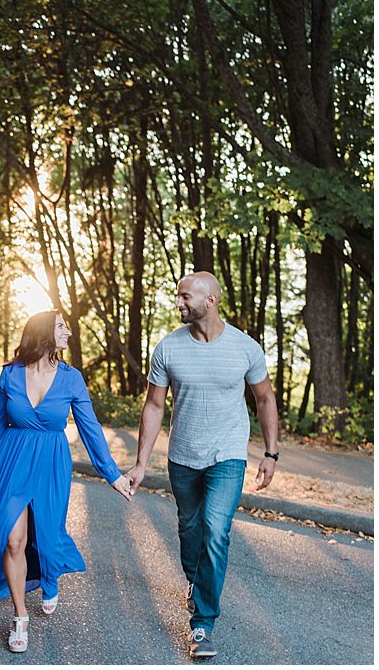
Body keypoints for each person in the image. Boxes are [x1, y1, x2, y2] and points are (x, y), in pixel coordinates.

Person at [0, 310, 133, 653]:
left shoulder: (72, 378)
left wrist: (113, 475)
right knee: (14, 541)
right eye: (62, 326)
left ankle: (49, 579)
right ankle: (20, 617)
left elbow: (90, 429)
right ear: (44, 333)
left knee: (46, 539)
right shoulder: (11, 374)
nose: (69, 332)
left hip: (50, 464)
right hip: (11, 463)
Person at [126, 271, 279, 659]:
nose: (178, 303)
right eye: (178, 296)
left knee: (215, 530)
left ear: (210, 300)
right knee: (190, 528)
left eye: (185, 297)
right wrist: (141, 462)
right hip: (183, 457)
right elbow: (155, 405)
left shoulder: (245, 347)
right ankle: (196, 581)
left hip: (228, 456)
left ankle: (202, 623)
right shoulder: (167, 349)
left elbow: (264, 398)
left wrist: (270, 452)